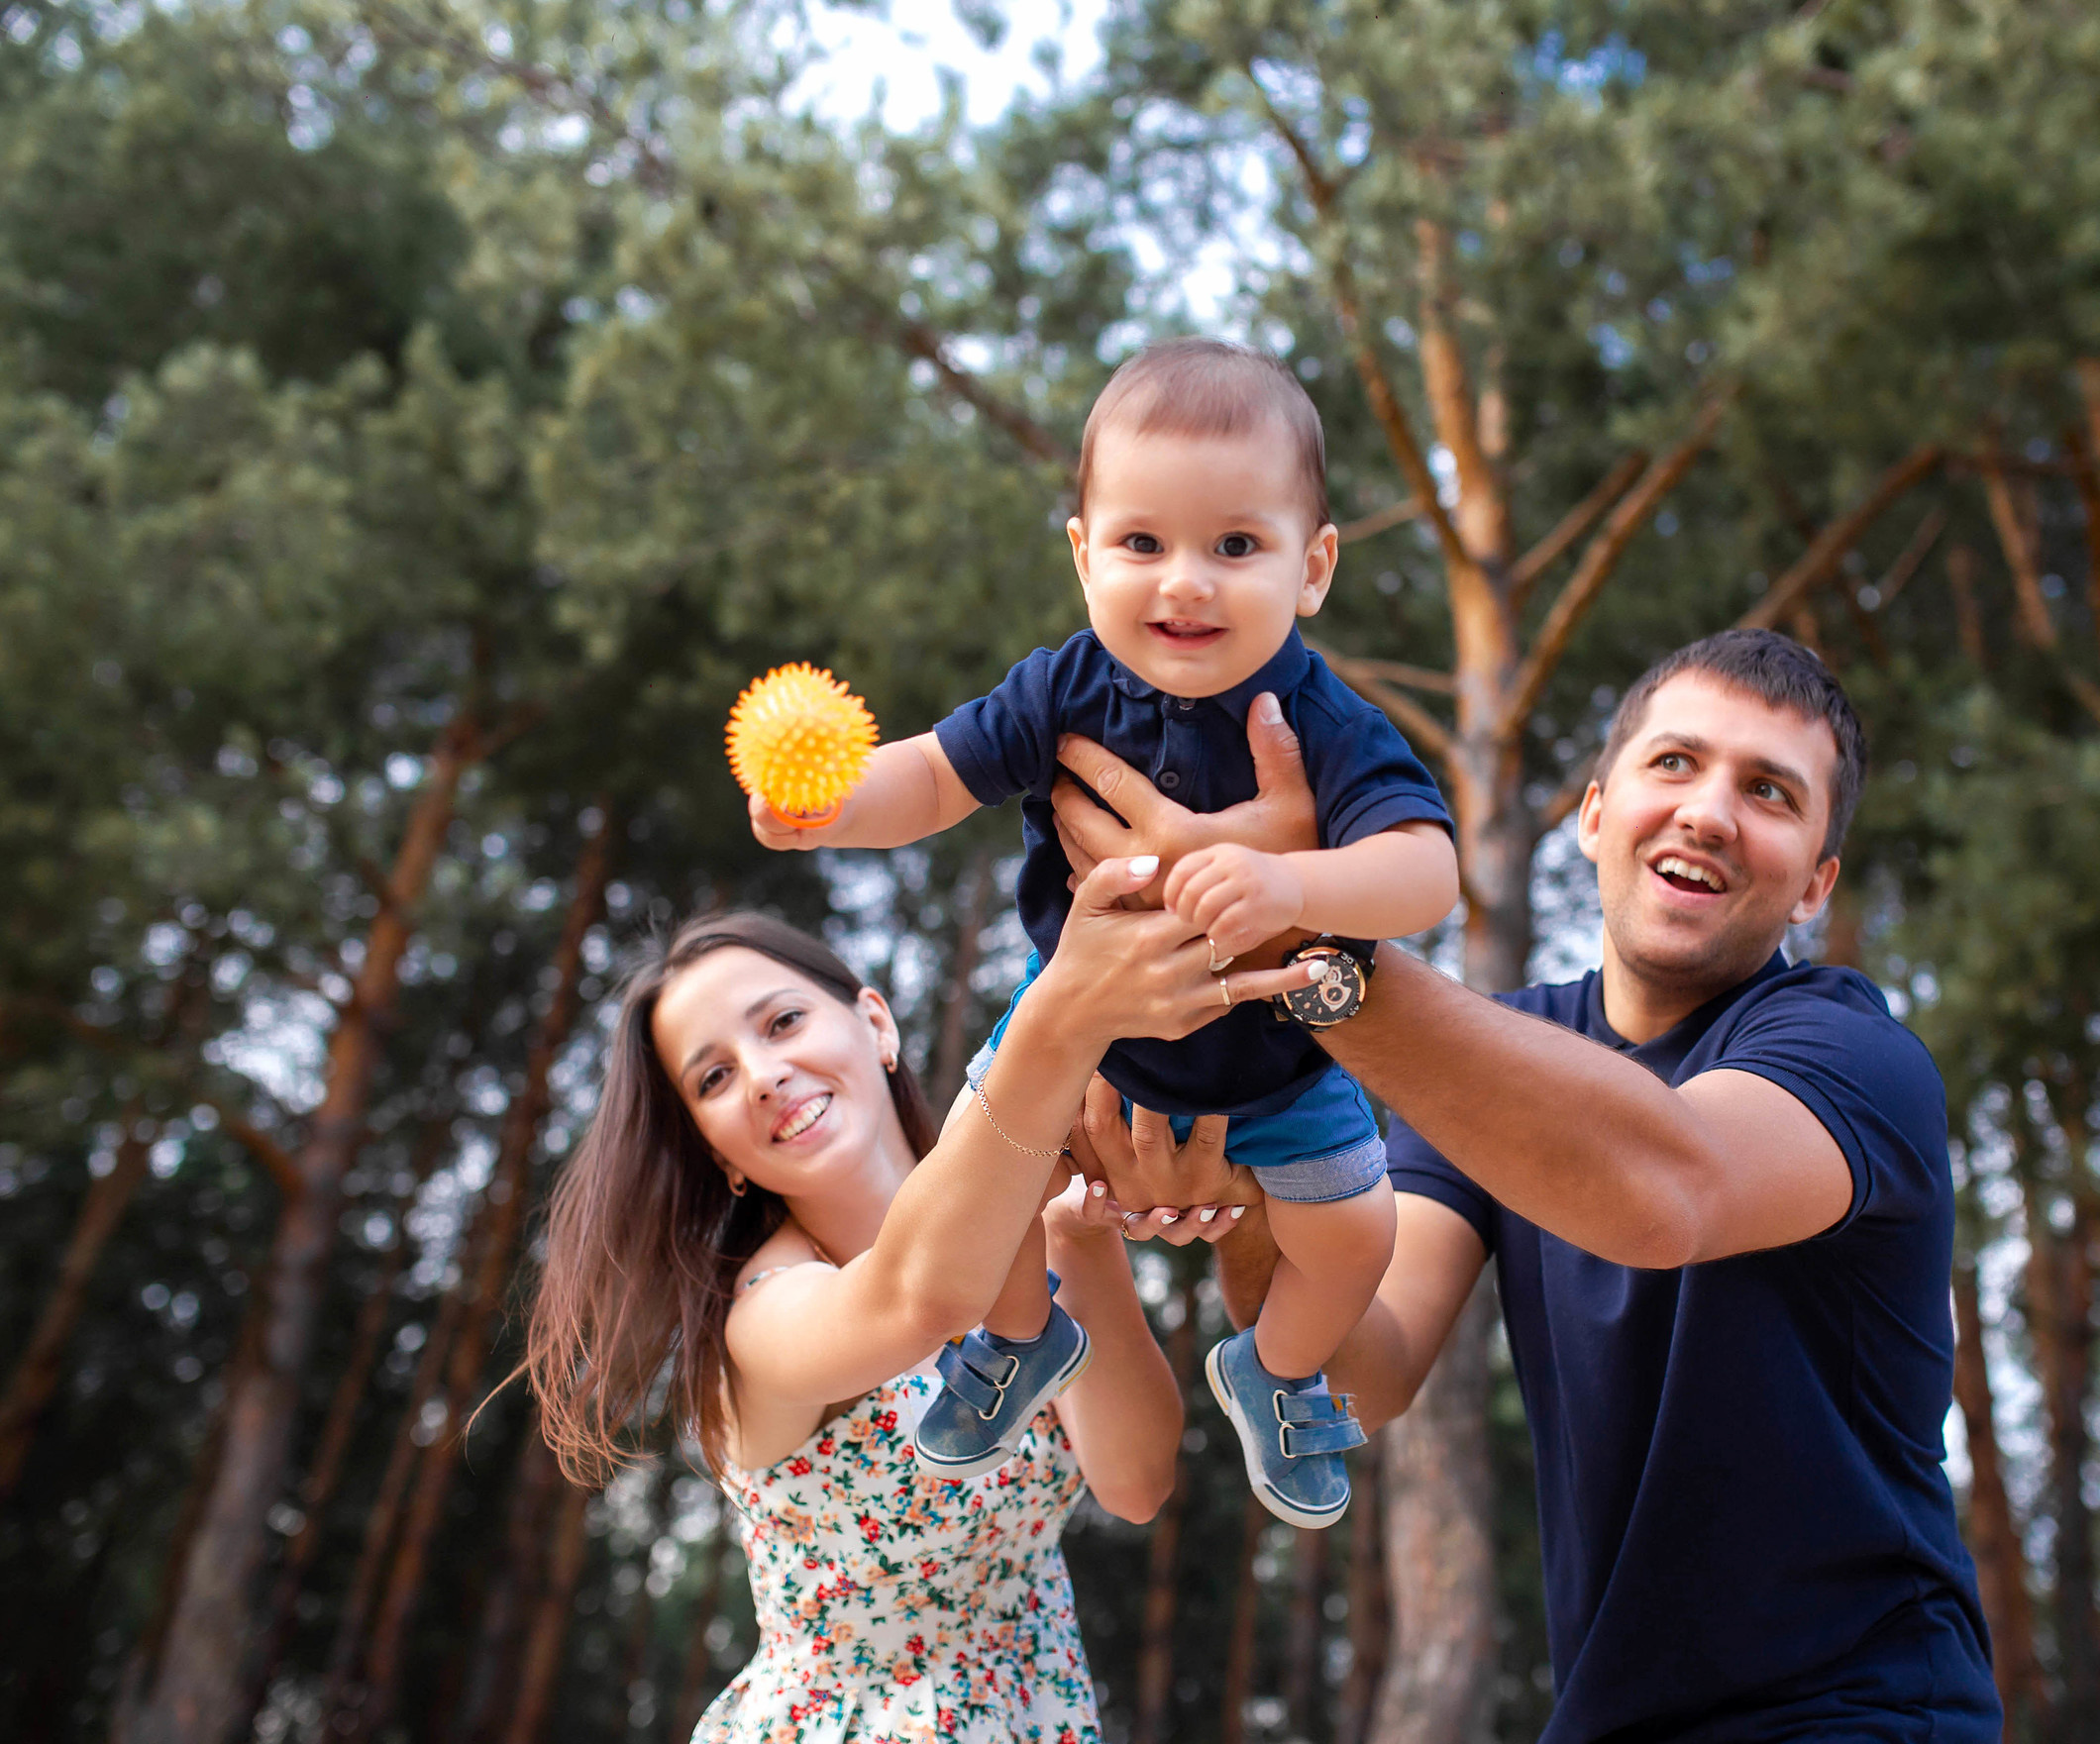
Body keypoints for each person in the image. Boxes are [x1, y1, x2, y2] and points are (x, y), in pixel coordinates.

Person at [1054, 630, 2002, 1742]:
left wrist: (1299, 939)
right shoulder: (1503, 1060)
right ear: (1593, 817)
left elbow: (1662, 1190)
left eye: (1769, 793)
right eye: (1675, 763)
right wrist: (1247, 1200)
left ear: (1813, 886)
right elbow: (1366, 1369)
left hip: (1857, 1712)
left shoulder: (1853, 1057)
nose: (1709, 810)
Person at [747, 338, 1459, 1528]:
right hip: (1076, 1041)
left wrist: (1296, 886)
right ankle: (1021, 1340)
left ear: (1314, 566)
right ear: (1083, 556)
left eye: (1235, 546)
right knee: (987, 1193)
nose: (1184, 582)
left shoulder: (1323, 720)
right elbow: (929, 776)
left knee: (1359, 1232)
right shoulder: (1059, 689)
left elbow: (1423, 871)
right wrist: (832, 809)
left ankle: (1273, 1373)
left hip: (1277, 1060)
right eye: (1142, 543)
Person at [524, 860, 1299, 1743]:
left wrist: (1078, 1234)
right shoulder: (763, 1317)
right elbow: (916, 1298)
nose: (765, 1073)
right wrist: (1063, 1015)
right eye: (713, 1079)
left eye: (782, 1022)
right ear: (720, 1155)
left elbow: (1134, 1481)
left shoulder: (1028, 1230)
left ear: (875, 1023)